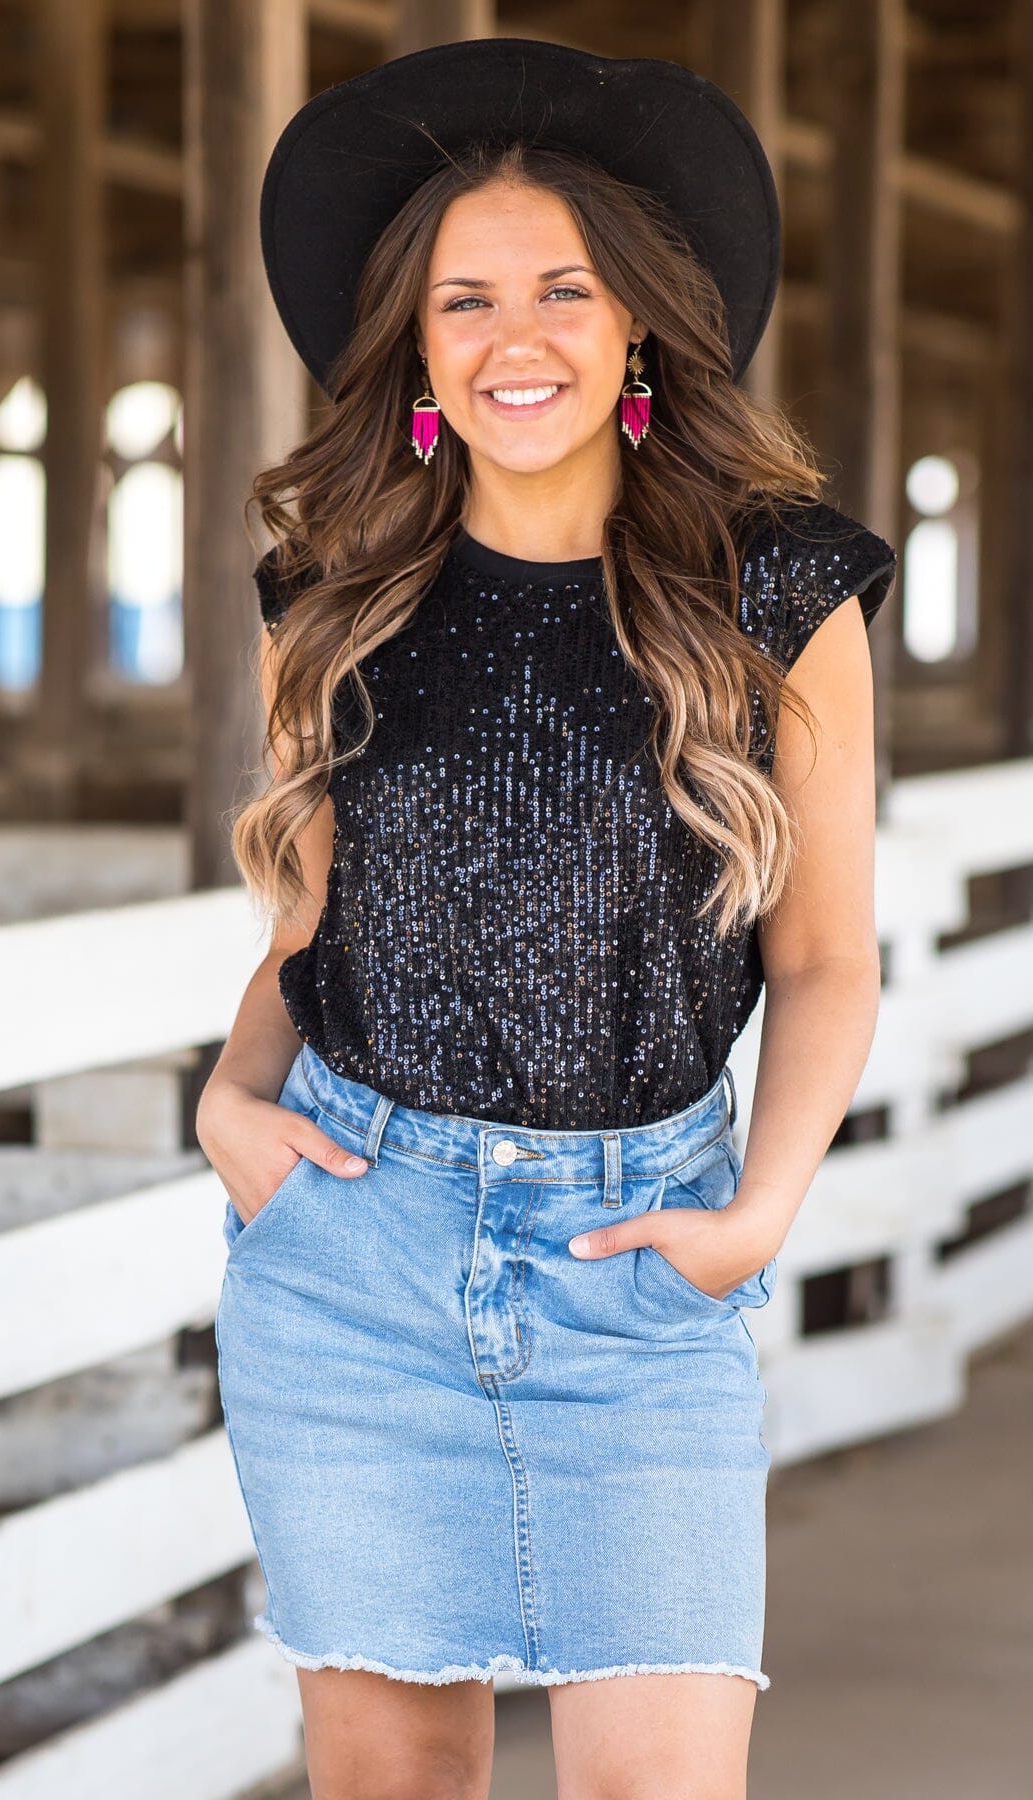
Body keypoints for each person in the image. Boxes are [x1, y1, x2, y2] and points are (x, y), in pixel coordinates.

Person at [196, 37, 898, 1800]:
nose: (519, 338)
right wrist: (228, 1097)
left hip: (636, 1264)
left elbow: (824, 957)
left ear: (643, 324)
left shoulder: (781, 592)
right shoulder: (340, 592)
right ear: (420, 351)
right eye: (467, 300)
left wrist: (760, 1211)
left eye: (565, 289)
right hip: (355, 1262)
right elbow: (316, 906)